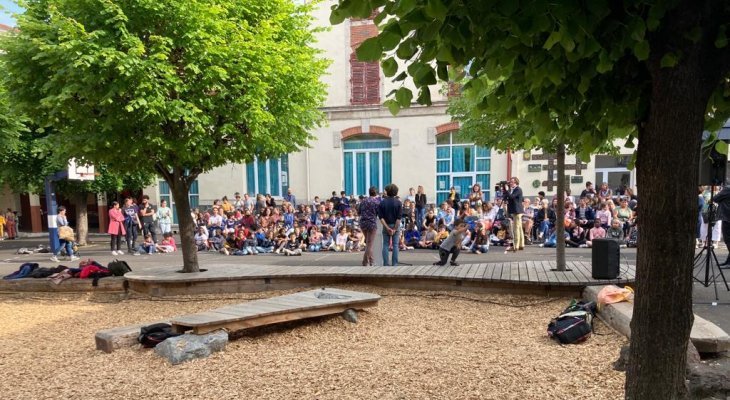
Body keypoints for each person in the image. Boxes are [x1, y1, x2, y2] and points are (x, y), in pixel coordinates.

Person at [378, 184, 402, 266]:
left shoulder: (382, 202)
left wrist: (387, 228)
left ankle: (386, 263)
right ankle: (395, 264)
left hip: (386, 225)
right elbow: (399, 218)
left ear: (387, 191)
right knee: (395, 245)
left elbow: (381, 217)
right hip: (395, 225)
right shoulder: (398, 203)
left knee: (385, 244)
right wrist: (395, 229)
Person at [358, 186, 381, 266]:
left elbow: (359, 212)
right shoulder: (377, 202)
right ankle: (365, 261)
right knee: (370, 244)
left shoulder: (363, 201)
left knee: (368, 243)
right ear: (376, 193)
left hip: (363, 223)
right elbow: (379, 214)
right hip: (371, 223)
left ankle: (372, 261)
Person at [502, 177, 524, 251]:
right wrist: (505, 190)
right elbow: (506, 197)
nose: (510, 183)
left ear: (516, 182)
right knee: (519, 228)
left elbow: (511, 197)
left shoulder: (518, 189)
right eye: (510, 182)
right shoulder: (512, 190)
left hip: (517, 211)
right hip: (514, 210)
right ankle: (521, 244)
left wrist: (507, 190)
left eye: (512, 182)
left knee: (516, 228)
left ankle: (516, 246)